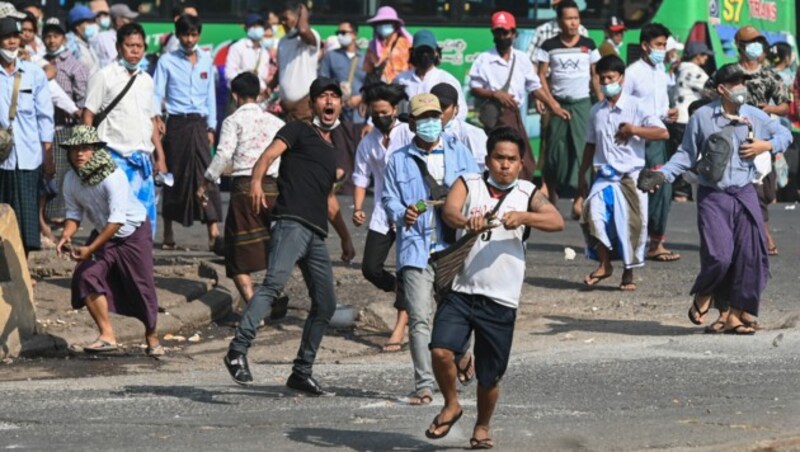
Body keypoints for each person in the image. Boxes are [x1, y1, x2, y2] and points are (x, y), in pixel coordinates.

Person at [426, 127, 564, 449]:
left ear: (521, 164)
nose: (505, 165)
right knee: (440, 350)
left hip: (501, 298)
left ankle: (482, 427)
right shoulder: (469, 183)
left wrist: (526, 217)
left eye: (512, 160)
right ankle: (451, 404)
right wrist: (464, 222)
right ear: (488, 159)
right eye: (499, 158)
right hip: (461, 290)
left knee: (490, 377)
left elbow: (557, 221)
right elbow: (449, 211)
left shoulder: (528, 193)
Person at [223, 78, 356, 394]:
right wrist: (256, 181)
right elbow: (268, 156)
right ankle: (237, 350)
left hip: (316, 234)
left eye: (334, 96)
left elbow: (330, 201)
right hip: (290, 223)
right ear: (313, 105)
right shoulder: (297, 129)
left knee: (325, 304)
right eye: (322, 96)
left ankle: (301, 371)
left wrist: (346, 238)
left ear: (339, 105)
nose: (329, 101)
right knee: (273, 284)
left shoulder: (329, 150)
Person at [639, 63, 791, 335]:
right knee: (719, 255)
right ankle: (704, 293)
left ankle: (734, 316)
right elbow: (685, 155)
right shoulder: (703, 118)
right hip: (714, 195)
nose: (741, 88)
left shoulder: (754, 115)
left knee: (749, 256)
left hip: (745, 192)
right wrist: (663, 175)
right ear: (721, 89)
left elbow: (784, 134)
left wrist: (764, 145)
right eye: (735, 83)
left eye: (743, 82)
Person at [382, 93, 480, 405]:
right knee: (420, 317)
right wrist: (403, 213)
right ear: (412, 123)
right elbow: (388, 198)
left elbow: (476, 189)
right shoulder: (398, 160)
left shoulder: (459, 152)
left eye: (434, 117)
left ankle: (462, 354)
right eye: (423, 118)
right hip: (416, 247)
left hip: (455, 245)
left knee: (459, 313)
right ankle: (424, 384)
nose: (430, 123)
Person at [55, 125, 163, 357]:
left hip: (131, 233)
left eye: (85, 149)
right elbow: (74, 214)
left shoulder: (113, 176)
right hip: (104, 233)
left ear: (94, 150)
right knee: (86, 275)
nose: (79, 154)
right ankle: (107, 335)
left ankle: (152, 335)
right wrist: (66, 235)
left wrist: (91, 248)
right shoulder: (71, 179)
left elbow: (117, 221)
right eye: (74, 150)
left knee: (142, 287)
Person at [577, 55, 668, 291]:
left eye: (611, 77)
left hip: (631, 177)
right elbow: (590, 144)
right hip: (603, 177)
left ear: (621, 78)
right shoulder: (596, 111)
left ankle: (628, 273)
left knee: (633, 225)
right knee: (592, 216)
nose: (607, 82)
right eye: (603, 78)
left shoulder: (636, 106)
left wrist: (634, 130)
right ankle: (605, 264)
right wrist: (582, 172)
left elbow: (662, 132)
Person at [198, 72, 286, 304]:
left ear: (234, 96)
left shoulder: (232, 121)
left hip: (245, 190)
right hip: (272, 189)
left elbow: (223, 155)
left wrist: (206, 181)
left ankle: (254, 306)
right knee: (272, 247)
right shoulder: (276, 122)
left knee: (236, 256)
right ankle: (274, 294)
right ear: (258, 94)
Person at [84, 23, 166, 239]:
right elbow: (88, 115)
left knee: (145, 224)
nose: (135, 51)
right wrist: (88, 152)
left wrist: (160, 156)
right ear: (119, 47)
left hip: (143, 163)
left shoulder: (146, 80)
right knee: (115, 223)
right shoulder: (104, 76)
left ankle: (139, 269)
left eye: (139, 46)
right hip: (113, 160)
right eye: (130, 46)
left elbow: (151, 121)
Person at [468, 11, 569, 181]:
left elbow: (535, 87)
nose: (502, 36)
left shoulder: (522, 59)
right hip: (495, 118)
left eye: (506, 32)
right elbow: (474, 88)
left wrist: (554, 106)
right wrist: (495, 94)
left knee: (526, 162)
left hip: (514, 116)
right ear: (493, 33)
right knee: (499, 158)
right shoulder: (484, 59)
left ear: (514, 34)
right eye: (498, 32)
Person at [153, 14, 223, 251]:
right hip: (177, 124)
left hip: (200, 124)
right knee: (175, 176)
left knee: (208, 174)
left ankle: (213, 230)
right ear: (177, 35)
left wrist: (211, 126)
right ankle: (169, 231)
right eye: (185, 34)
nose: (189, 39)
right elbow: (156, 94)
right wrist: (157, 119)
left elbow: (211, 97)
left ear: (199, 35)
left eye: (193, 34)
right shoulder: (166, 61)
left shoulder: (206, 60)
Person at [352, 82, 412, 353]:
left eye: (384, 113)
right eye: (375, 114)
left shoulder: (409, 134)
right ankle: (404, 291)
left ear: (395, 110)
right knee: (370, 268)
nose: (380, 118)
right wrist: (357, 207)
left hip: (410, 211)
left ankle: (399, 328)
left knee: (405, 267)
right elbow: (361, 177)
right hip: (381, 212)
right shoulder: (368, 141)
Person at [725, 26, 790, 256]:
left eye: (759, 41)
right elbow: (709, 97)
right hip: (734, 140)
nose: (756, 46)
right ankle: (763, 233)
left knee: (768, 190)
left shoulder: (770, 75)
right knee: (752, 189)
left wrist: (770, 108)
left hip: (763, 141)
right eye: (751, 41)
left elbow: (785, 105)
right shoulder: (729, 72)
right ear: (739, 45)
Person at [536, 0, 601, 220]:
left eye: (576, 18)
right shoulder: (549, 45)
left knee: (583, 152)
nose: (573, 23)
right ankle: (551, 193)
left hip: (582, 104)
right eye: (569, 18)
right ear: (559, 21)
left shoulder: (588, 44)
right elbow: (541, 76)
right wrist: (552, 104)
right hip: (558, 104)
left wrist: (602, 102)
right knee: (553, 152)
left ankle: (579, 198)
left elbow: (596, 76)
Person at [622, 23, 680, 262]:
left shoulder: (660, 70)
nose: (662, 49)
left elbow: (659, 105)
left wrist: (669, 113)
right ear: (645, 46)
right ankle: (635, 241)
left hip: (660, 135)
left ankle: (655, 242)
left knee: (661, 187)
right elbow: (624, 105)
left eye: (664, 45)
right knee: (640, 189)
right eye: (658, 45)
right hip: (638, 138)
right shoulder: (633, 72)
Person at [0, 16, 54, 255]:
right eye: (5, 38)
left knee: (27, 216)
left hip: (29, 154)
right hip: (2, 157)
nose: (11, 42)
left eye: (15, 37)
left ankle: (23, 270)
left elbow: (45, 116)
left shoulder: (34, 73)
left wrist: (48, 153)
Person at [42, 17, 89, 235]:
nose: (51, 40)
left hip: (65, 129)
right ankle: (47, 222)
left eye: (56, 35)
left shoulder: (73, 65)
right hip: (42, 129)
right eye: (48, 35)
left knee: (61, 179)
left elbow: (82, 99)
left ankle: (62, 226)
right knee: (46, 177)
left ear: (63, 37)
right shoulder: (39, 62)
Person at [393, 29, 467, 121]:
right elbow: (393, 107)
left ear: (436, 53)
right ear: (413, 53)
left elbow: (461, 111)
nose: (425, 55)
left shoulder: (447, 80)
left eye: (428, 51)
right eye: (421, 51)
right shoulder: (401, 79)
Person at [671, 41, 712, 202]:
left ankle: (680, 190)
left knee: (681, 152)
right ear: (697, 56)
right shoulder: (695, 72)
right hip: (686, 118)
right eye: (704, 55)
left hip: (677, 118)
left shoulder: (680, 69)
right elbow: (711, 88)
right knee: (689, 154)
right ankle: (681, 191)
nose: (706, 58)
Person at [271, 1, 320, 122]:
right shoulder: (282, 41)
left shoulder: (310, 37)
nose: (282, 22)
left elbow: (303, 30)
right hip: (285, 108)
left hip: (304, 106)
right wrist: (269, 87)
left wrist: (303, 11)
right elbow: (282, 69)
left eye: (286, 18)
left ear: (298, 17)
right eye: (281, 19)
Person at [431, 82, 488, 171]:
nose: (439, 112)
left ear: (456, 109)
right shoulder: (422, 131)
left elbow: (481, 169)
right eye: (435, 107)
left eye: (444, 107)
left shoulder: (470, 133)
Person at [319, 22, 365, 123]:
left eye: (343, 32)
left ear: (354, 34)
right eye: (338, 33)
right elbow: (323, 82)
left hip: (360, 115)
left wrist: (362, 98)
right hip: (337, 115)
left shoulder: (365, 58)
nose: (340, 36)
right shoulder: (330, 57)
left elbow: (372, 84)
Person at [225, 13, 272, 95]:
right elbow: (230, 73)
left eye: (260, 26)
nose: (258, 29)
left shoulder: (264, 52)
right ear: (247, 28)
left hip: (259, 98)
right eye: (254, 26)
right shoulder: (237, 47)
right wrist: (249, 87)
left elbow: (263, 76)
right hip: (241, 95)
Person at [363, 6, 411, 84]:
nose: (383, 25)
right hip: (379, 90)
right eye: (380, 23)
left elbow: (413, 69)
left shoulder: (405, 44)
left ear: (395, 25)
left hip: (398, 89)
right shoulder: (372, 46)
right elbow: (368, 70)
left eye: (387, 22)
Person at [92, 3, 139, 69]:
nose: (131, 22)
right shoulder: (103, 38)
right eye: (129, 19)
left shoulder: (127, 37)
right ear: (118, 21)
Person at [65, 5, 100, 76]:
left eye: (92, 21)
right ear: (77, 26)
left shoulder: (88, 43)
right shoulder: (72, 46)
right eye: (88, 22)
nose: (92, 25)